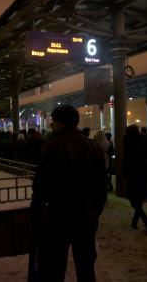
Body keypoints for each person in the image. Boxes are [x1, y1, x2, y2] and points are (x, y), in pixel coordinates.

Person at [29, 105, 107, 282]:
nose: (51, 125)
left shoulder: (52, 147)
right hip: (86, 217)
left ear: (60, 122)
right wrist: (94, 212)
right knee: (86, 267)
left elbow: (40, 187)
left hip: (58, 217)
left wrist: (36, 218)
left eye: (53, 121)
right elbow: (101, 187)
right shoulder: (93, 147)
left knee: (54, 268)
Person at [123, 124, 147, 234]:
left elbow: (126, 161)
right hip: (143, 175)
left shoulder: (128, 144)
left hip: (133, 175)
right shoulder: (143, 141)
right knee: (138, 200)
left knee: (133, 200)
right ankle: (134, 221)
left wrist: (124, 175)